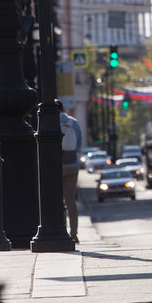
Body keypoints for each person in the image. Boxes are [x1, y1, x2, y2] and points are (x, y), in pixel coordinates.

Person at [58, 100, 82, 243]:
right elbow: (79, 144)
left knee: (57, 200)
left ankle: (62, 229)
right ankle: (74, 233)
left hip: (57, 165)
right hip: (72, 164)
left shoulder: (50, 122)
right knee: (70, 200)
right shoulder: (74, 123)